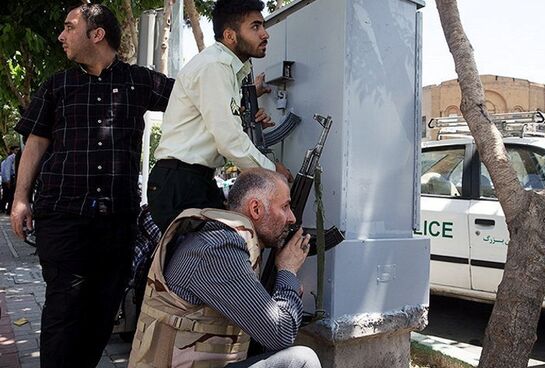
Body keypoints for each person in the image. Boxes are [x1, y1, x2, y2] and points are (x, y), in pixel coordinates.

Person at [10, 4, 174, 367]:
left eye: (69, 27)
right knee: (64, 315)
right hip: (63, 218)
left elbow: (195, 99)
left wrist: (247, 98)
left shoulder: (140, 81)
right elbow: (35, 144)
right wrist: (21, 199)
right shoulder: (58, 84)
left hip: (117, 222)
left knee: (102, 314)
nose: (61, 35)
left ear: (96, 34)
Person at [129, 168, 320, 368]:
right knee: (301, 360)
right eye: (285, 207)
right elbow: (281, 333)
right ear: (255, 209)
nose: (292, 219)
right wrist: (288, 271)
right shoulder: (219, 248)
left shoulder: (222, 239)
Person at [148, 0, 292, 233]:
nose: (265, 34)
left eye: (263, 26)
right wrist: (272, 172)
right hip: (181, 183)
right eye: (255, 27)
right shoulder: (215, 66)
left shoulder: (224, 67)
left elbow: (222, 129)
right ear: (230, 35)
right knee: (212, 258)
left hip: (192, 180)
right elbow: (229, 139)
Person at [1, 146, 18, 214]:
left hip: (12, 178)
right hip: (10, 178)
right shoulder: (11, 158)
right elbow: (7, 169)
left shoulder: (16, 158)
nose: (17, 151)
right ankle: (8, 210)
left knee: (10, 195)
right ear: (13, 151)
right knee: (9, 195)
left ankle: (7, 209)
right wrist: (8, 180)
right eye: (16, 150)